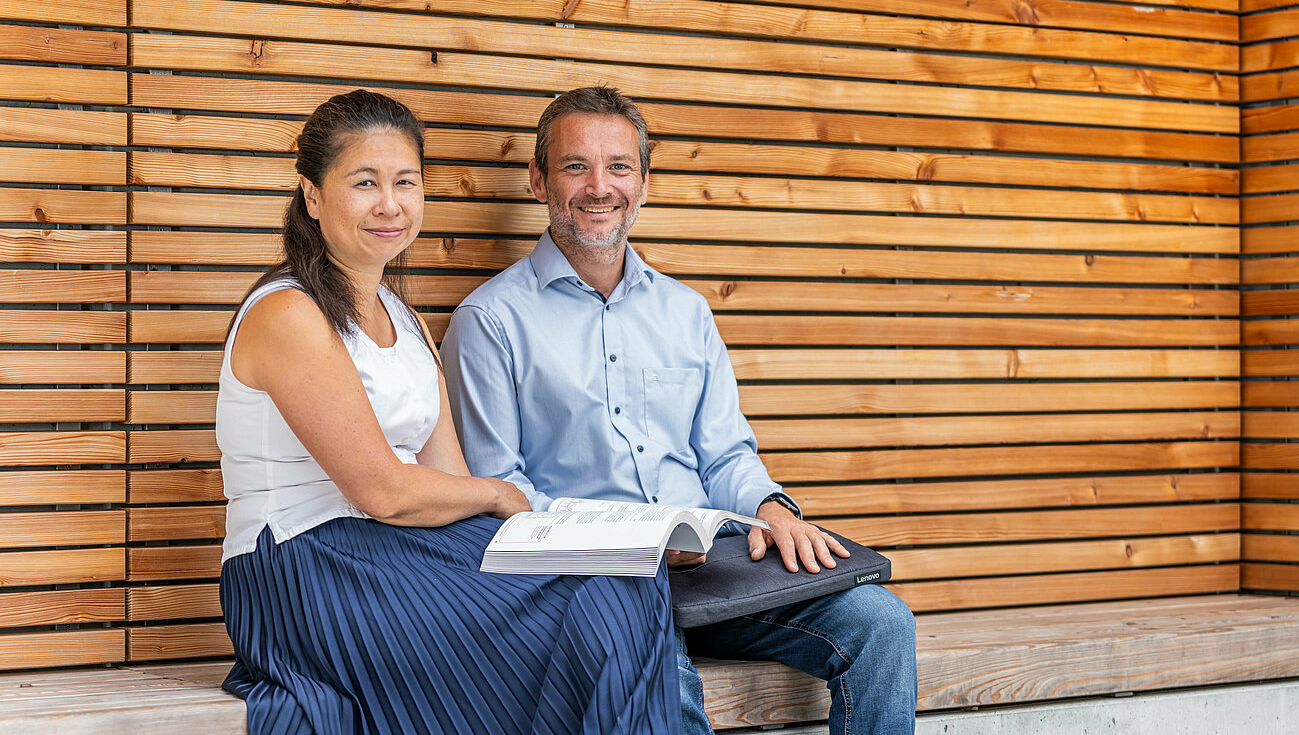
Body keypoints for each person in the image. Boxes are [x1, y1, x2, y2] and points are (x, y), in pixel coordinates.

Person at [442, 86, 917, 735]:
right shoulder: (490, 321)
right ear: (538, 179)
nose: (598, 186)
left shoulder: (686, 311)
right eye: (576, 165)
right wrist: (633, 543)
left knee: (882, 623)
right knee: (667, 683)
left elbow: (724, 454)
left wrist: (773, 509)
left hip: (713, 573)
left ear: (643, 182)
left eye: (618, 166)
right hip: (593, 586)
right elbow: (501, 496)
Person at [215, 89, 679, 735]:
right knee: (592, 609)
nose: (390, 203)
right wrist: (497, 493)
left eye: (406, 181)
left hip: (403, 550)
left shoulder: (403, 319)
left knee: (626, 582)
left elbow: (445, 476)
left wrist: (515, 515)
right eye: (365, 182)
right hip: (311, 567)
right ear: (313, 195)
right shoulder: (287, 313)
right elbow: (384, 492)